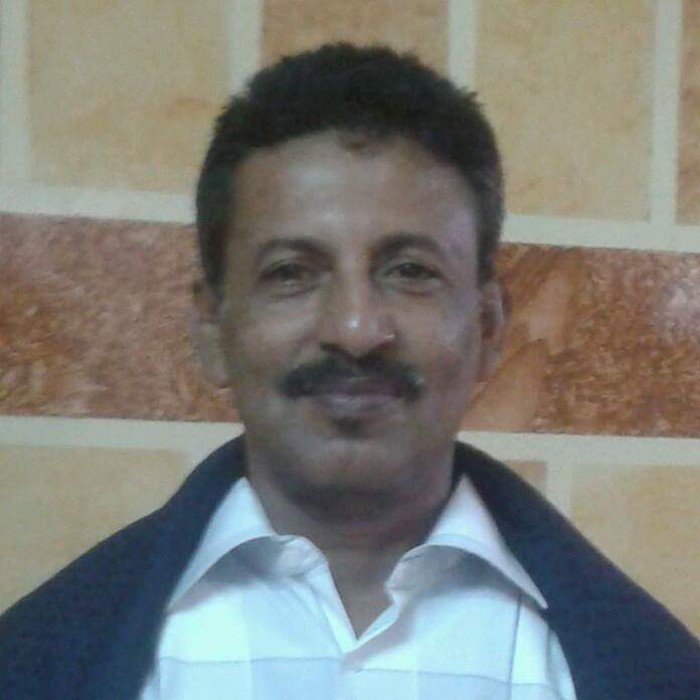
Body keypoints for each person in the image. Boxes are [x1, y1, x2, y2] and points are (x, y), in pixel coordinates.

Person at [0, 44, 697, 700]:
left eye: (410, 270)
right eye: (291, 273)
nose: (356, 330)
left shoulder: (657, 671)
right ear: (212, 329)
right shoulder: (35, 659)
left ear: (488, 327)